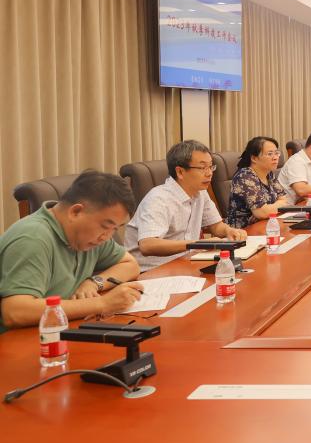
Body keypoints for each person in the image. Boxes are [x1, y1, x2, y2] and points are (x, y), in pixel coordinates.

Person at [0, 171, 143, 333]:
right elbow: (15, 312)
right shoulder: (32, 239)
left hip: (60, 329)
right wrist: (102, 304)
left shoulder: (89, 236)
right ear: (75, 212)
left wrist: (94, 282)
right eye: (105, 226)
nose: (107, 237)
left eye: (115, 229)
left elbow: (130, 264)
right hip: (18, 340)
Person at [126, 140, 248, 272]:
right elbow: (148, 245)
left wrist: (229, 231)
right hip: (153, 272)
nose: (209, 173)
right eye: (202, 168)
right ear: (180, 172)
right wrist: (197, 244)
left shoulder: (200, 192)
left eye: (211, 167)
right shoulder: (158, 199)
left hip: (186, 263)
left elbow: (216, 226)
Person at [226, 136, 291, 228]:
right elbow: (261, 213)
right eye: (270, 154)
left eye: (276, 153)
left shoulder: (269, 174)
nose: (276, 157)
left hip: (266, 224)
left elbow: (285, 200)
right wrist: (277, 206)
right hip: (245, 230)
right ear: (254, 158)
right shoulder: (245, 177)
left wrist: (270, 209)